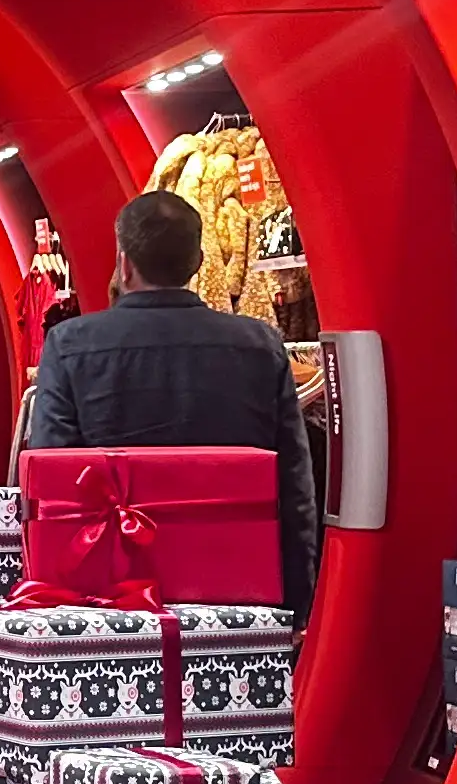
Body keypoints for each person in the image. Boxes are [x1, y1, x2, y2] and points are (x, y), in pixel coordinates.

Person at [23, 189, 319, 614]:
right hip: (237, 588)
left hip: (113, 597)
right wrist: (294, 599)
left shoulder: (70, 345)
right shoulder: (259, 345)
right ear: (198, 263)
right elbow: (294, 486)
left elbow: (55, 487)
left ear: (123, 263)